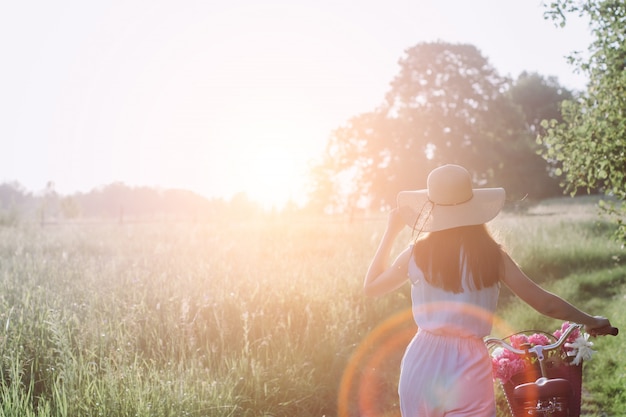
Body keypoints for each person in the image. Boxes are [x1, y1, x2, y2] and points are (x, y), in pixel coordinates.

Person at [363, 164, 612, 417]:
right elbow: (544, 303)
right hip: (469, 366)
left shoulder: (417, 253)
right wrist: (592, 320)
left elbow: (371, 287)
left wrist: (391, 232)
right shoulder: (492, 256)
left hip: (422, 362)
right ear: (473, 208)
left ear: (432, 208)